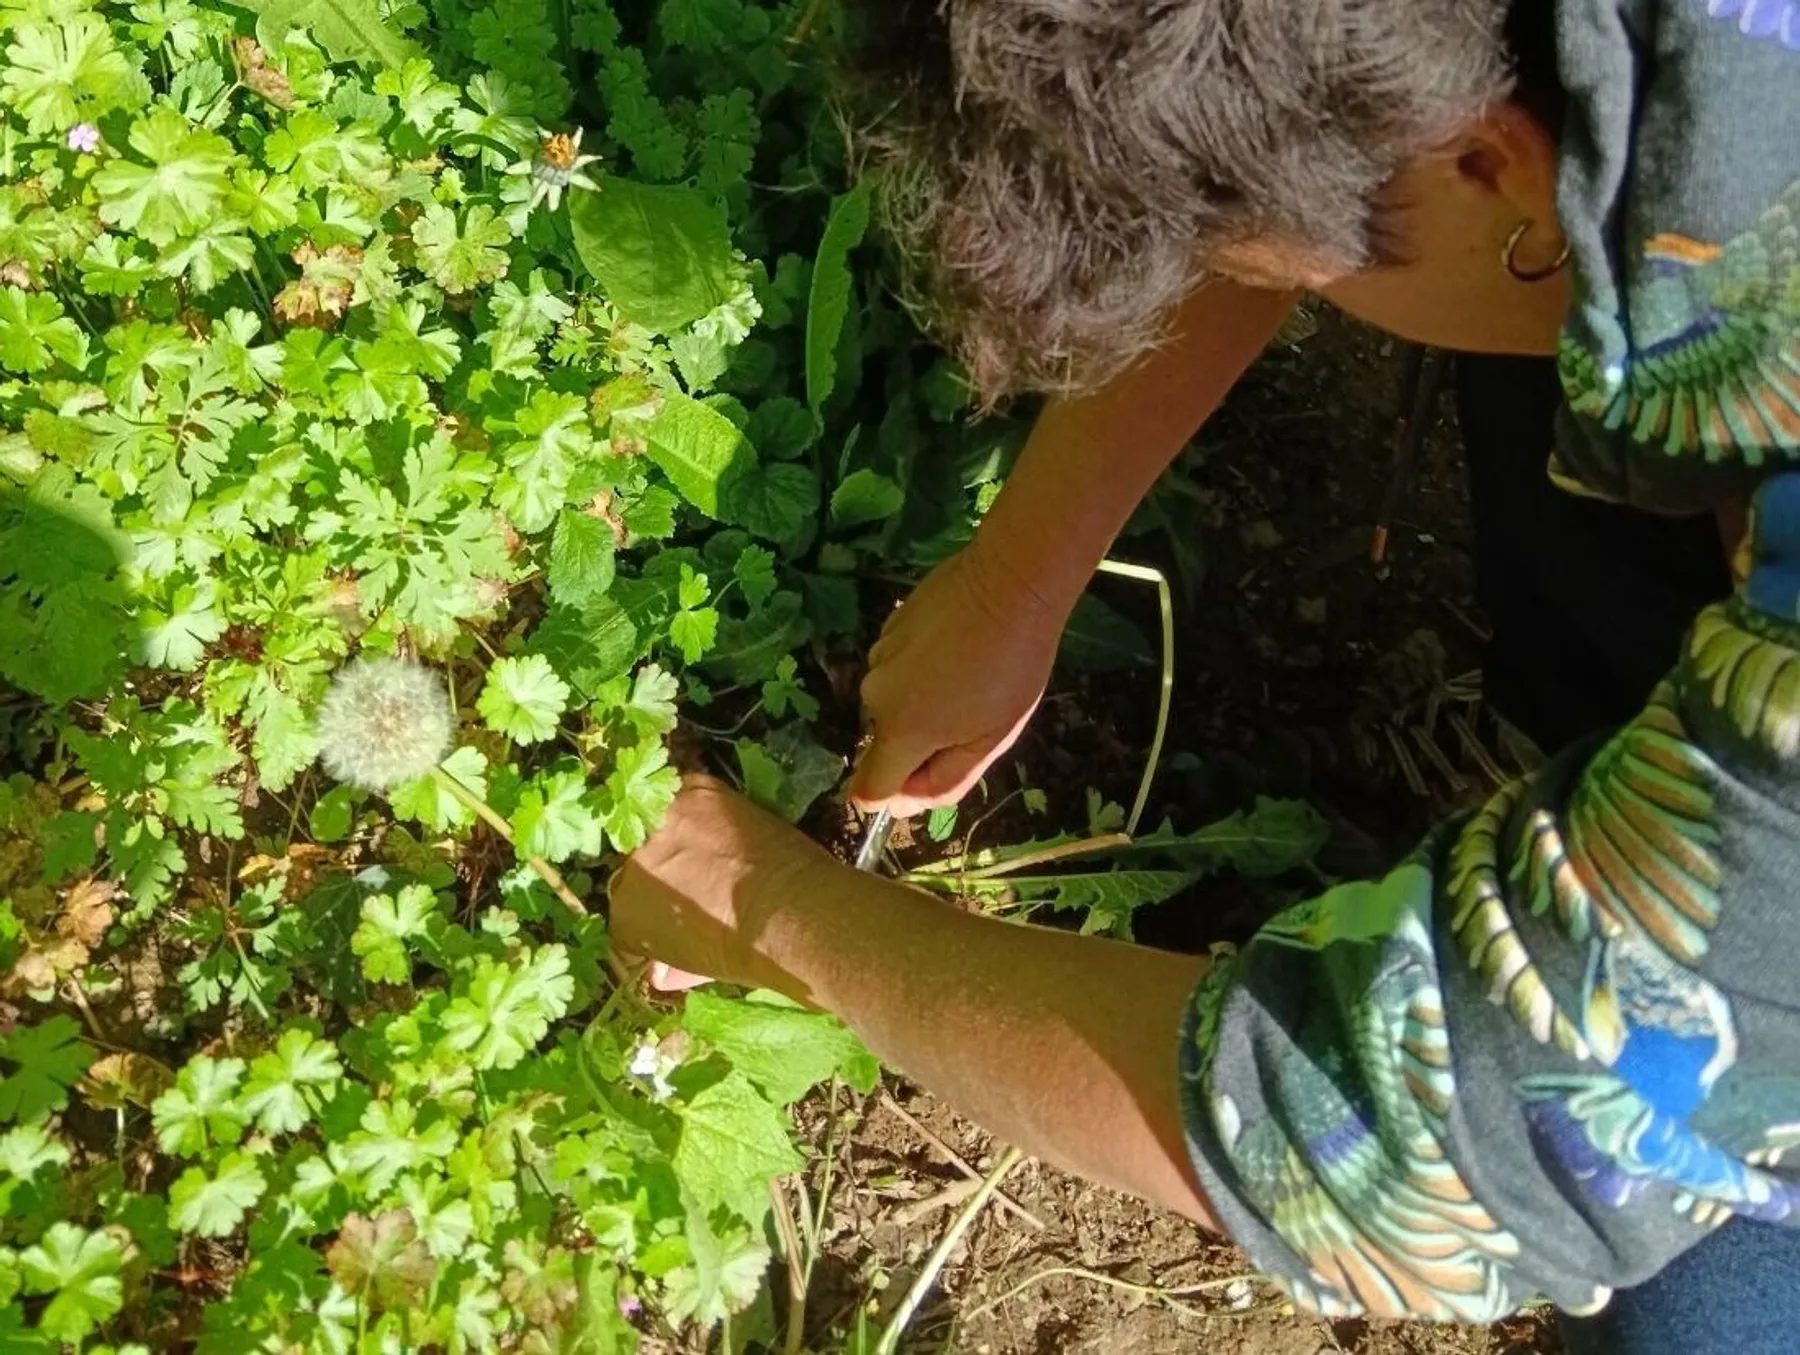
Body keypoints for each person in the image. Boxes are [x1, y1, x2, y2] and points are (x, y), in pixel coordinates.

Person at [611, 0, 1800, 1348]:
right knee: (1551, 301)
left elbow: (1404, 1144)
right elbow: (1282, 120)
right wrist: (1019, 579)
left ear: (1490, 163)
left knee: (1700, 1303)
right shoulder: (1600, 120)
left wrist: (765, 906)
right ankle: (1642, 779)